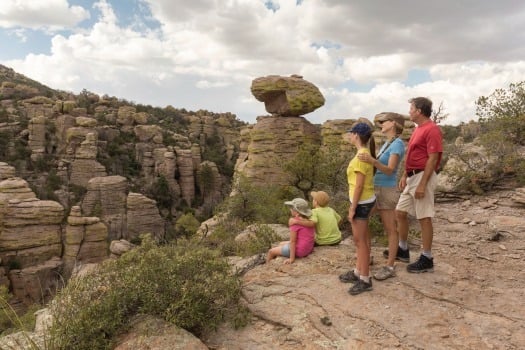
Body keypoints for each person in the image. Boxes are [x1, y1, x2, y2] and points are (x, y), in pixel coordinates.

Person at [396, 97, 443, 273]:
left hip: (423, 176)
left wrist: (423, 184)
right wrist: (404, 175)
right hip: (412, 177)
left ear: (419, 111)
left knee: (424, 217)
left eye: (411, 108)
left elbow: (433, 158)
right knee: (400, 212)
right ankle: (402, 249)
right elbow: (412, 155)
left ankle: (427, 257)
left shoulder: (432, 129)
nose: (409, 111)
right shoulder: (418, 129)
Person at [358, 112, 406, 281]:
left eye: (383, 121)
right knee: (361, 220)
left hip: (387, 190)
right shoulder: (388, 143)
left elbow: (390, 169)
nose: (380, 124)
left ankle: (390, 266)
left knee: (390, 229)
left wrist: (372, 161)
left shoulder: (398, 144)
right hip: (376, 188)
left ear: (393, 124)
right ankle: (367, 256)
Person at [338, 122, 376, 295]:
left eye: (351, 133)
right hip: (364, 201)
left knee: (360, 242)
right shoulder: (363, 154)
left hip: (361, 203)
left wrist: (352, 208)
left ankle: (365, 279)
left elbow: (359, 186)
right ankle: (358, 272)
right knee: (361, 240)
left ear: (357, 135)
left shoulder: (361, 156)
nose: (349, 136)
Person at [266, 198, 315, 264]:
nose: (290, 209)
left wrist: (291, 258)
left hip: (299, 251)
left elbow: (293, 241)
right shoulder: (309, 221)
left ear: (297, 212)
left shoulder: (295, 223)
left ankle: (268, 265)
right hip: (308, 249)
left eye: (291, 208)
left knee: (271, 251)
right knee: (281, 244)